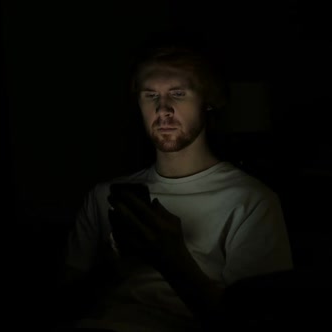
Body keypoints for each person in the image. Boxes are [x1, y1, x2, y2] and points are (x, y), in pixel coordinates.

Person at [56, 45, 294, 332]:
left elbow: (254, 322)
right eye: (151, 95)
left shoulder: (250, 201)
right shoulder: (103, 195)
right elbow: (63, 302)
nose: (163, 109)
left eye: (178, 94)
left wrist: (170, 256)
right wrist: (115, 265)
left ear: (207, 101)